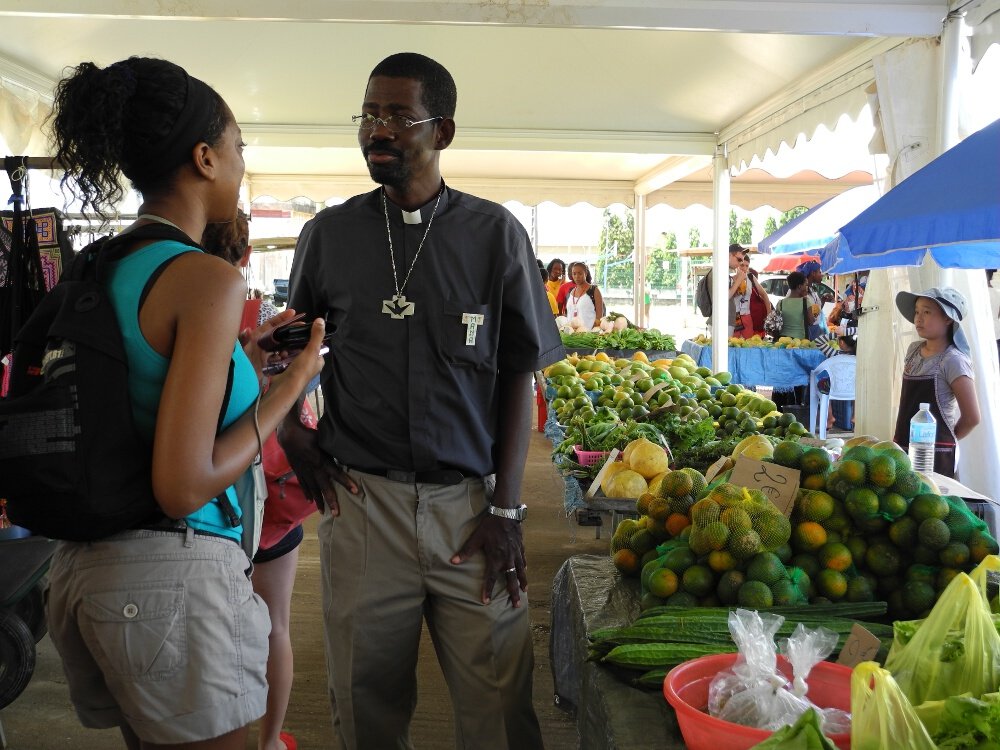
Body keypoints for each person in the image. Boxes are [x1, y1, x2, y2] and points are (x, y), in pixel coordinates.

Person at [278, 52, 562, 750]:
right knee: (364, 704)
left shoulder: (495, 236)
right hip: (363, 507)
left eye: (399, 115)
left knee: (499, 707)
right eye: (370, 113)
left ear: (444, 131)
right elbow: (291, 349)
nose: (379, 129)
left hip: (470, 513)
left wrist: (506, 508)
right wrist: (290, 428)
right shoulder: (329, 236)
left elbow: (519, 374)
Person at [42, 57, 326, 750]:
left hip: (89, 573)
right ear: (204, 158)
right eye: (237, 149)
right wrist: (291, 386)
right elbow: (182, 483)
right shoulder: (203, 279)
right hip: (172, 578)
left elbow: (141, 391)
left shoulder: (108, 261)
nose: (238, 164)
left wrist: (245, 364)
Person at [202, 210, 311, 750]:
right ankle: (268, 742)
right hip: (269, 501)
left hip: (209, 506)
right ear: (245, 256)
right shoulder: (257, 314)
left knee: (218, 632)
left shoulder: (183, 302)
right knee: (274, 626)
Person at [893, 287, 981, 478]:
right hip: (903, 448)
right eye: (917, 312)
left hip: (935, 458)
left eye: (927, 312)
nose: (918, 318)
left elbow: (972, 417)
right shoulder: (913, 350)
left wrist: (944, 441)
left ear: (948, 319)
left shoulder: (953, 360)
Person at [703, 243, 745, 335]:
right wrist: (739, 280)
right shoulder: (720, 271)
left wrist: (734, 280)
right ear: (729, 255)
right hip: (721, 322)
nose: (740, 263)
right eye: (739, 259)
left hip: (722, 321)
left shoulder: (721, 270)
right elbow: (725, 297)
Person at [733, 253, 772, 337]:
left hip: (747, 315)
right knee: (734, 344)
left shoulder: (751, 277)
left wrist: (769, 313)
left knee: (748, 343)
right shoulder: (731, 278)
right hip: (735, 316)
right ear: (737, 265)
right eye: (742, 265)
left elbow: (764, 295)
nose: (744, 268)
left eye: (747, 266)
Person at [563, 260, 604, 330]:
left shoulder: (594, 291)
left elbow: (599, 316)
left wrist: (594, 332)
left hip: (588, 336)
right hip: (570, 336)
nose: (577, 276)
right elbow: (568, 314)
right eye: (574, 274)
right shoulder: (571, 292)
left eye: (580, 273)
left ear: (586, 273)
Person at [796, 259, 832, 339]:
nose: (821, 274)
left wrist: (822, 301)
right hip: (807, 330)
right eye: (819, 272)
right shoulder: (801, 291)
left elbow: (815, 311)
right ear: (813, 273)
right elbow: (809, 318)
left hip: (815, 328)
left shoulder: (811, 289)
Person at [777, 271, 815, 340]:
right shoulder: (805, 302)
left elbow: (776, 322)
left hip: (783, 340)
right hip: (800, 342)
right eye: (805, 285)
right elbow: (811, 321)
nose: (806, 288)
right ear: (800, 286)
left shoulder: (780, 303)